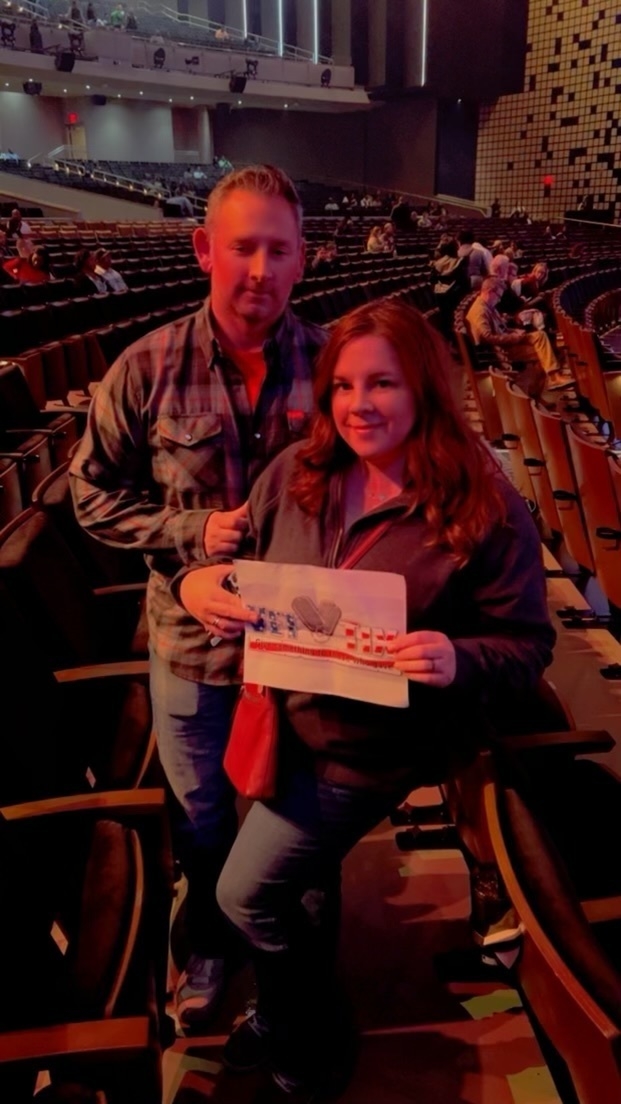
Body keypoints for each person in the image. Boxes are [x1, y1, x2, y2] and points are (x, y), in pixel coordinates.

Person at [177, 299, 556, 1100]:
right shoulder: (297, 471)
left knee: (246, 896)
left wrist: (457, 657)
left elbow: (526, 646)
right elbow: (231, 563)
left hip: (371, 751)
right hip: (278, 724)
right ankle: (288, 1015)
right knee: (301, 891)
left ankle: (304, 1028)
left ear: (423, 387)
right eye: (342, 386)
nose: (358, 405)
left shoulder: (483, 506)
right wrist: (196, 582)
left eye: (381, 383)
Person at [68, 165, 327, 1032]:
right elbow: (91, 494)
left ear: (302, 260)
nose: (259, 269)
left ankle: (295, 968)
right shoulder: (144, 367)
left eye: (278, 250)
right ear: (202, 250)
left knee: (299, 815)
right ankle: (212, 945)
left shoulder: (335, 365)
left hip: (307, 646)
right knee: (204, 816)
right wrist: (188, 543)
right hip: (191, 645)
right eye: (242, 246)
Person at [466, 276, 566, 391]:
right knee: (547, 352)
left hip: (508, 341)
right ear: (490, 292)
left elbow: (500, 328)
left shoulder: (487, 305)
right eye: (498, 296)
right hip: (502, 351)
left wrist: (514, 331)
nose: (499, 300)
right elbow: (488, 337)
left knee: (540, 336)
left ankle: (550, 380)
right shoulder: (479, 311)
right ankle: (549, 381)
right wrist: (514, 337)